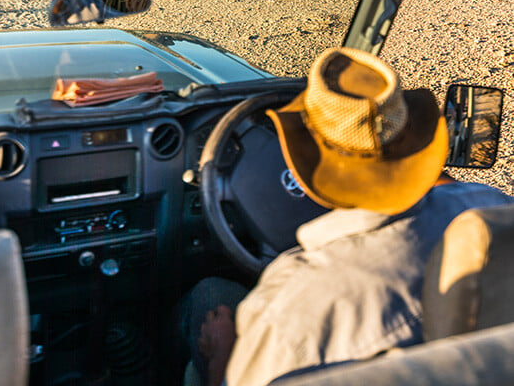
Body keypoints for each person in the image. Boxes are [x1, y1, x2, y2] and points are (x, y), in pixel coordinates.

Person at [185, 47, 512, 386]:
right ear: (416, 146)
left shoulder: (292, 305)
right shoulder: (489, 209)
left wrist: (221, 355)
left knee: (209, 295)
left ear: (301, 167)